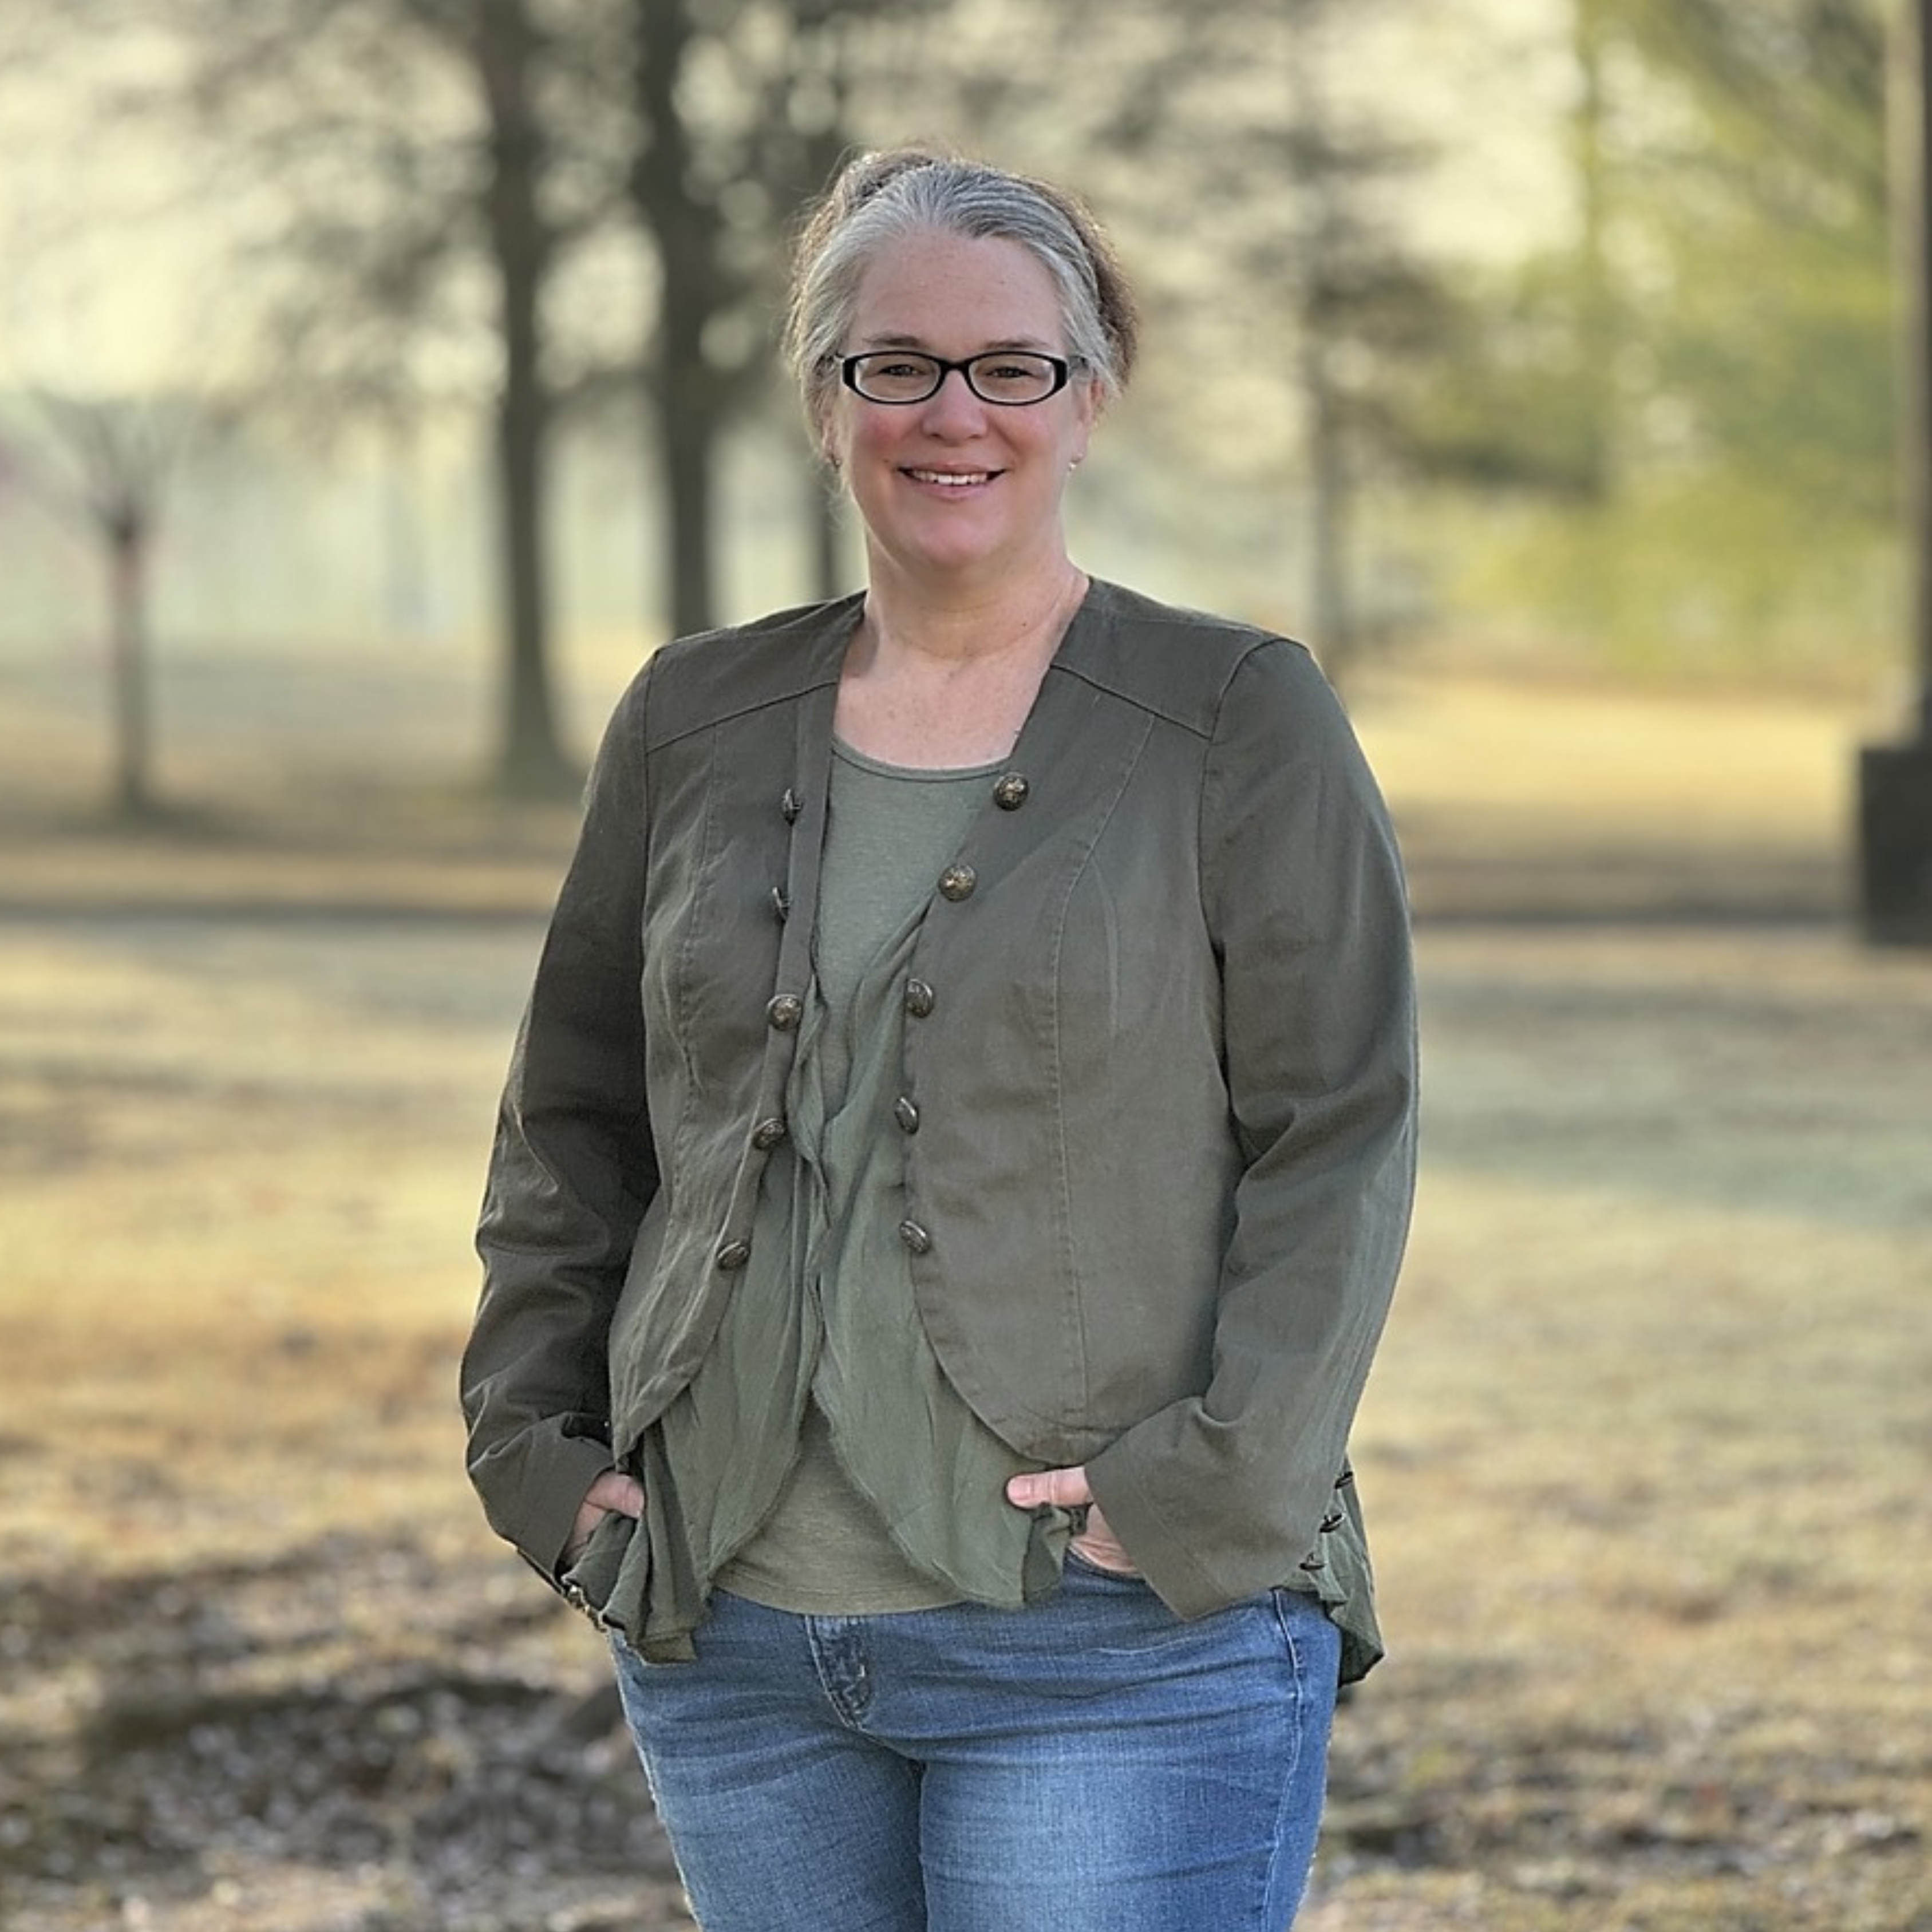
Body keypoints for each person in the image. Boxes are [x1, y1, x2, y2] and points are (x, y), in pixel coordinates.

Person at [461, 145, 1416, 1932]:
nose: (949, 412)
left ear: (1090, 395)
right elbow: (573, 1118)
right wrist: (537, 1445)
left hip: (1117, 1640)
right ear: (826, 405)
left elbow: (1340, 1131)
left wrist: (1207, 1487)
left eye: (1010, 366)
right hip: (732, 1643)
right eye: (892, 364)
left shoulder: (1234, 715)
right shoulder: (691, 716)